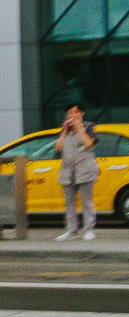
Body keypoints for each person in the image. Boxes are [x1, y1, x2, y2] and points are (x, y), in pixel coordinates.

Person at [58, 104, 100, 242]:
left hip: (85, 170)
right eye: (70, 113)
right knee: (69, 202)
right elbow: (58, 147)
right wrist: (65, 130)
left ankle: (89, 230)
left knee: (86, 201)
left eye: (75, 112)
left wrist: (79, 127)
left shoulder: (88, 127)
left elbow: (88, 144)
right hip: (68, 170)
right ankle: (72, 231)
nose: (72, 115)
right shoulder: (66, 130)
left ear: (81, 113)